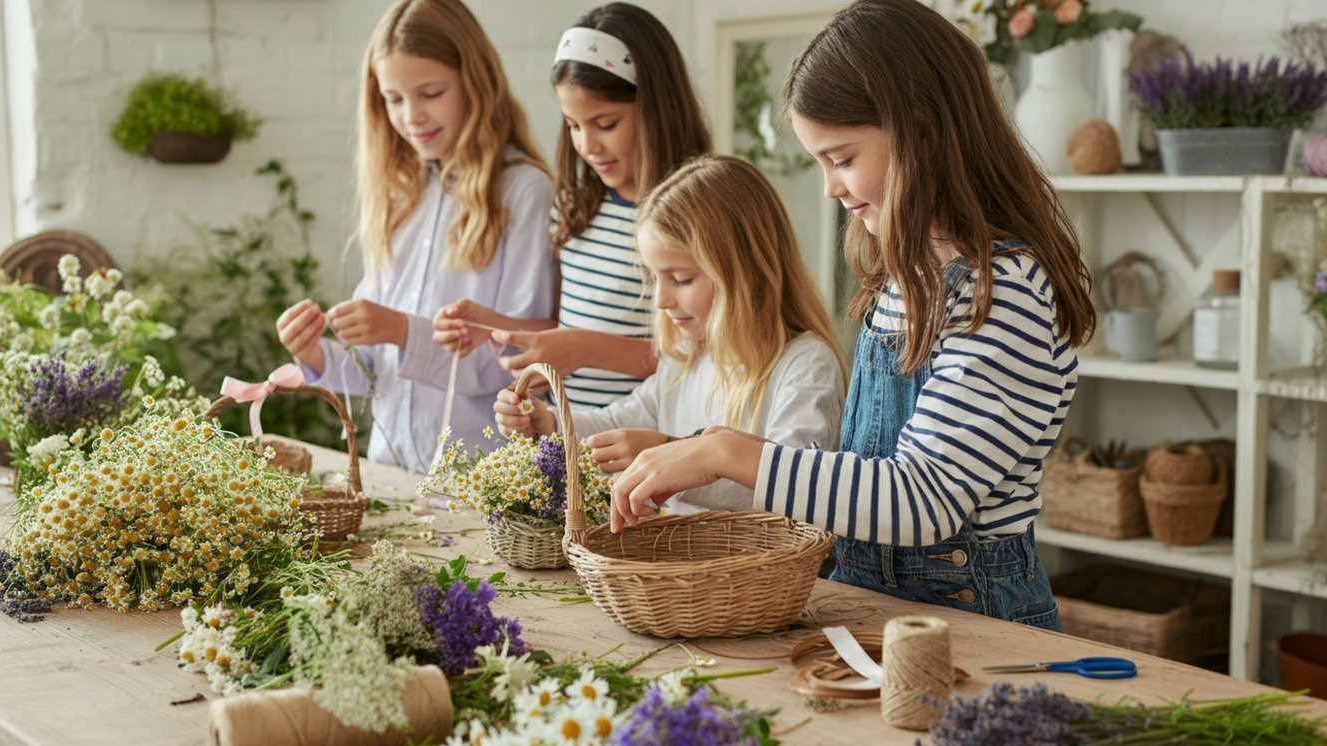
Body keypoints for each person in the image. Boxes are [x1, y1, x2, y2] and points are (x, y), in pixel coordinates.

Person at [608, 0, 1098, 630]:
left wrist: (726, 452)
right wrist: (709, 451)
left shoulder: (1002, 293)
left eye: (841, 158)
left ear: (922, 131)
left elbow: (922, 499)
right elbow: (858, 479)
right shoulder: (902, 281)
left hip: (974, 624)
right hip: (870, 605)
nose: (829, 188)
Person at [274, 0, 555, 473]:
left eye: (430, 92)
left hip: (483, 482)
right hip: (392, 471)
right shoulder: (400, 196)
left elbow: (522, 362)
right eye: (394, 99)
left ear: (475, 82)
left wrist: (403, 330)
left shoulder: (524, 192)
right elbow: (375, 369)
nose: (411, 116)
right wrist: (315, 353)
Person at [495, 155, 845, 514]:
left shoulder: (806, 366)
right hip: (683, 567)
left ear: (744, 271)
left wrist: (669, 450)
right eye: (655, 278)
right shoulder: (689, 356)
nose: (661, 300)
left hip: (760, 569)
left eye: (680, 279)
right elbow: (619, 422)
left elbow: (797, 487)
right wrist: (550, 424)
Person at [432, 2, 711, 411]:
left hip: (647, 446)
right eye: (573, 125)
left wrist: (587, 349)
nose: (587, 145)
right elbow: (564, 332)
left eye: (605, 124)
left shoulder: (698, 216)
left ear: (656, 109)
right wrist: (495, 328)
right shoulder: (574, 208)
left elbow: (708, 354)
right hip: (569, 441)